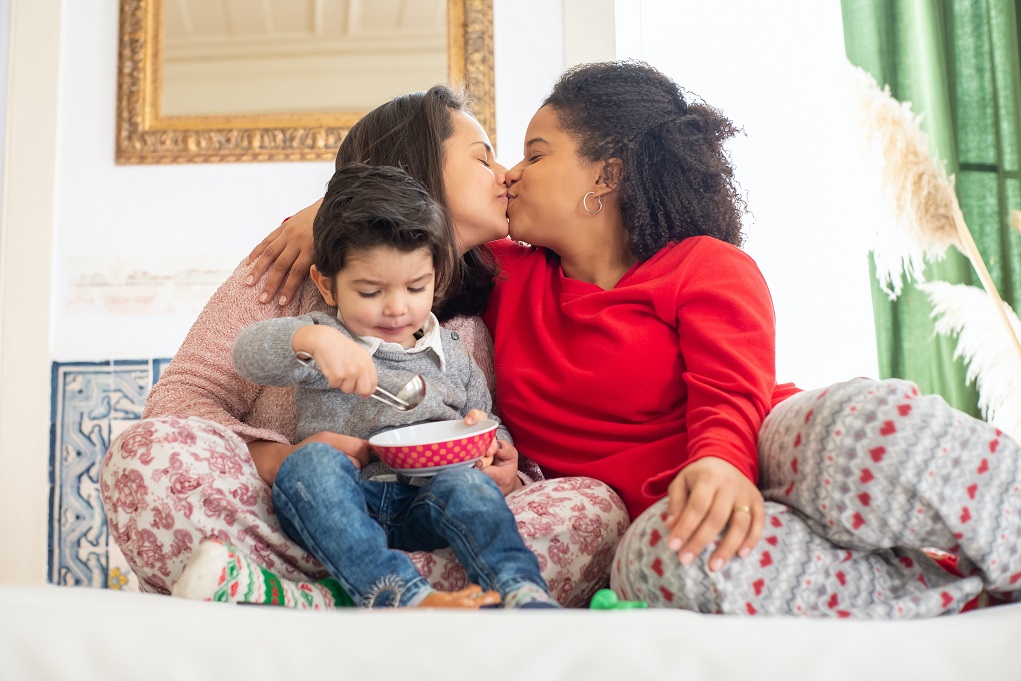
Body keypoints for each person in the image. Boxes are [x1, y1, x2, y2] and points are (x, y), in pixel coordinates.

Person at [248, 61, 1021, 618]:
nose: (511, 172)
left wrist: (721, 461)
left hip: (754, 441)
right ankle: (950, 591)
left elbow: (733, 392)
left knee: (855, 422)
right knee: (662, 564)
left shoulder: (705, 268)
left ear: (604, 177)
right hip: (663, 512)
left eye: (536, 151)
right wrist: (323, 212)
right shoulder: (510, 277)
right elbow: (407, 220)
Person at [100, 86, 628, 609]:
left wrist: (505, 468)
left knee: (593, 509)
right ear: (421, 170)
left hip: (429, 514)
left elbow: (485, 426)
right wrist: (279, 458)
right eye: (483, 158)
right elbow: (180, 401)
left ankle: (320, 594)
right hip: (299, 514)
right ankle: (387, 589)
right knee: (143, 456)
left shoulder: (484, 305)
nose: (506, 172)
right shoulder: (290, 268)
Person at [220, 162, 557, 609]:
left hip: (428, 501)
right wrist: (311, 339)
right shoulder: (327, 341)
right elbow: (248, 354)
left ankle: (520, 590)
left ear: (435, 278)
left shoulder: (454, 353)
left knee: (470, 488)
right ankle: (397, 592)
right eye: (370, 292)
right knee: (310, 466)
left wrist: (495, 447)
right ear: (327, 284)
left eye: (415, 287)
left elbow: (487, 419)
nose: (397, 309)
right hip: (343, 501)